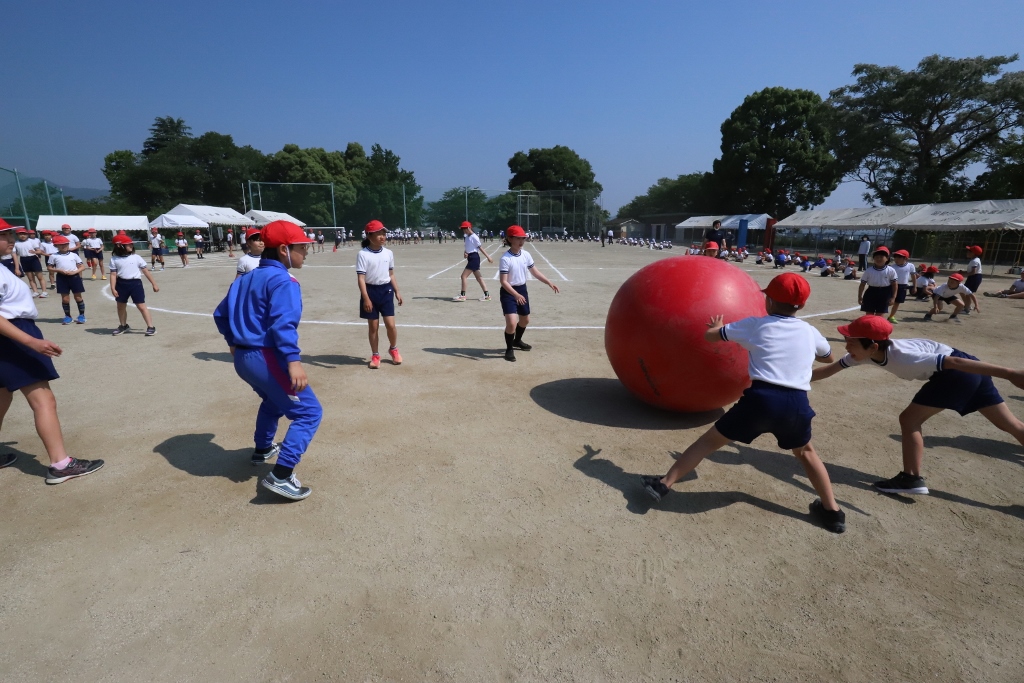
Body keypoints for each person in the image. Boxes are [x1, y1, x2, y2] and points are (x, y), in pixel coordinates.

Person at [640, 272, 845, 533]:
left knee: (708, 442)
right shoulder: (810, 331)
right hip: (796, 403)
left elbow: (712, 337)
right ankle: (833, 512)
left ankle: (664, 484)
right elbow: (828, 357)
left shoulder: (755, 325)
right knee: (806, 452)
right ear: (802, 305)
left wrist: (716, 325)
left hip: (761, 400)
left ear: (768, 300)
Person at [812, 315, 1024, 495]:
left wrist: (1010, 373)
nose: (846, 346)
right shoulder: (865, 354)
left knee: (909, 419)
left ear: (873, 346)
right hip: (970, 370)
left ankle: (911, 478)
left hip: (958, 371)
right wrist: (791, 379)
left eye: (851, 342)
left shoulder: (906, 358)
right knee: (1011, 424)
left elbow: (956, 363)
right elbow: (830, 369)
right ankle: (910, 478)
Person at [213, 220, 321, 501]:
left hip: (244, 360)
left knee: (273, 402)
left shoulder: (246, 278)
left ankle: (262, 449)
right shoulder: (284, 281)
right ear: (284, 249)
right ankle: (282, 476)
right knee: (309, 412)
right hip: (266, 357)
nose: (306, 252)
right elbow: (283, 325)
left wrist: (232, 343)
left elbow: (220, 314)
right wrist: (293, 361)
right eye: (301, 247)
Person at [0, 226, 105, 483]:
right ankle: (61, 464)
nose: (12, 240)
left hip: (12, 334)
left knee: (2, 396)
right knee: (43, 401)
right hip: (13, 336)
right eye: (5, 236)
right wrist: (30, 341)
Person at [498, 225, 560, 363]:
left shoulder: (526, 254)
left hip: (522, 290)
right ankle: (509, 349)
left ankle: (517, 341)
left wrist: (548, 282)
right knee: (512, 323)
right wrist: (515, 295)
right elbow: (504, 282)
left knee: (525, 320)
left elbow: (535, 272)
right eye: (518, 238)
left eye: (523, 238)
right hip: (509, 292)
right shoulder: (505, 258)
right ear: (509, 239)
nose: (521, 241)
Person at [356, 220, 403, 369]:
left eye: (384, 233)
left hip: (386, 291)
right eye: (378, 234)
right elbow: (361, 278)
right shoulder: (363, 254)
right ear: (369, 236)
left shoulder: (388, 253)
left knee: (391, 325)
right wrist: (366, 298)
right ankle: (375, 355)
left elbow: (391, 274)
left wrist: (397, 291)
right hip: (370, 292)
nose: (382, 236)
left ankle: (393, 349)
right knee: (373, 327)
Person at [109, 234, 159, 336]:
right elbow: (113, 274)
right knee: (120, 306)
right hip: (121, 284)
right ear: (119, 246)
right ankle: (123, 325)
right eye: (128, 245)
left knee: (141, 306)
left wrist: (154, 284)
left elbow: (145, 271)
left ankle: (151, 327)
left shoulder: (136, 257)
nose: (131, 246)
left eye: (131, 244)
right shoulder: (114, 259)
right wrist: (113, 288)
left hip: (135, 284)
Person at [47, 235, 87, 325]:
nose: (64, 246)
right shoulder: (53, 256)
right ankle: (68, 316)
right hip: (62, 278)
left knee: (78, 297)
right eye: (61, 245)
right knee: (65, 299)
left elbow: (82, 266)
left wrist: (75, 272)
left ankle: (82, 315)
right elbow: (49, 267)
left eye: (65, 244)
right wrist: (59, 270)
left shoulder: (74, 255)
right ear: (56, 246)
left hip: (74, 277)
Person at [453, 221, 493, 301]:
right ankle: (487, 295)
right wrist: (465, 253)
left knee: (463, 276)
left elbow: (480, 248)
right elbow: (468, 247)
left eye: (464, 229)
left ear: (469, 228)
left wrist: (488, 256)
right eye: (462, 229)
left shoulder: (474, 237)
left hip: (474, 258)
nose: (464, 231)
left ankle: (463, 295)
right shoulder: (467, 236)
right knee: (479, 278)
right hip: (471, 257)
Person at [858, 246, 898, 316]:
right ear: (873, 258)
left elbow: (894, 284)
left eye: (881, 257)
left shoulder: (891, 270)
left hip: (885, 293)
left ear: (887, 259)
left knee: (880, 314)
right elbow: (862, 284)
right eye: (876, 257)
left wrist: (893, 297)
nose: (879, 259)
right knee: (869, 314)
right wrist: (860, 296)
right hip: (871, 292)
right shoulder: (869, 270)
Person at [887, 249, 916, 323]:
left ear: (906, 258)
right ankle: (880, 315)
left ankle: (891, 316)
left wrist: (914, 286)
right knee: (888, 301)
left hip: (903, 286)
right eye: (896, 257)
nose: (896, 259)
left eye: (899, 257)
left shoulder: (910, 266)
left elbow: (913, 276)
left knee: (897, 302)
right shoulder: (892, 267)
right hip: (892, 286)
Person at [13, 229, 44, 297]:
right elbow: (15, 254)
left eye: (24, 234)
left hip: (33, 258)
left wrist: (35, 252)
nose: (22, 235)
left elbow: (40, 251)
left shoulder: (32, 241)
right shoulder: (16, 243)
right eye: (20, 234)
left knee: (39, 277)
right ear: (17, 235)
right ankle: (35, 291)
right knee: (30, 278)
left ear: (27, 234)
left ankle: (44, 291)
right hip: (24, 259)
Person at [962, 245, 983, 310]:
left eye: (969, 251)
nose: (967, 252)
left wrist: (964, 275)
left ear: (973, 253)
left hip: (974, 277)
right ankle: (967, 306)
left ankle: (967, 308)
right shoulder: (974, 260)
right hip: (973, 277)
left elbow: (973, 272)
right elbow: (971, 271)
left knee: (968, 293)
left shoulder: (975, 261)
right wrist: (963, 272)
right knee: (965, 292)